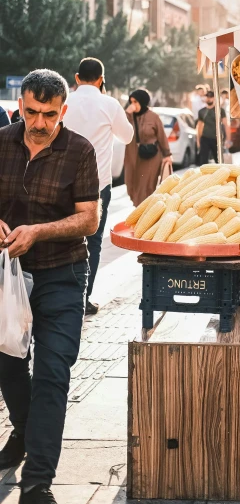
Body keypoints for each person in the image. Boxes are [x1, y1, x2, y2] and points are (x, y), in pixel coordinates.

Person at [0, 69, 99, 504]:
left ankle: (37, 484)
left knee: (52, 373)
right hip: (8, 275)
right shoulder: (1, 141)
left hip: (63, 273)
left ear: (63, 111)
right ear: (21, 106)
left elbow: (89, 220)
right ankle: (23, 431)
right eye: (32, 112)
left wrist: (38, 231)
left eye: (50, 115)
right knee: (7, 363)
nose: (39, 123)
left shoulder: (79, 150)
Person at [64, 58, 134, 315]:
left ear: (77, 77)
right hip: (97, 184)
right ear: (101, 79)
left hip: (64, 182)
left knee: (63, 237)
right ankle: (83, 298)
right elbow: (127, 136)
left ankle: (62, 296)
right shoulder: (109, 104)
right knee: (92, 243)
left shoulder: (65, 100)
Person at [124, 89, 172, 207]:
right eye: (131, 102)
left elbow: (161, 135)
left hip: (151, 156)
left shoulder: (153, 117)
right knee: (131, 184)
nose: (133, 105)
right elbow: (122, 129)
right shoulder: (128, 116)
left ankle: (143, 213)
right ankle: (139, 208)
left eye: (135, 102)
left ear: (142, 102)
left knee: (146, 187)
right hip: (133, 156)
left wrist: (167, 154)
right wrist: (127, 113)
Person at [196, 90, 230, 165]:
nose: (209, 99)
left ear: (214, 98)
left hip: (217, 139)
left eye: (211, 97)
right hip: (205, 138)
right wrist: (198, 140)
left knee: (219, 161)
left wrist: (228, 139)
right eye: (207, 97)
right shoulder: (201, 111)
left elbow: (226, 124)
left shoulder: (220, 110)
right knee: (203, 162)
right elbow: (199, 126)